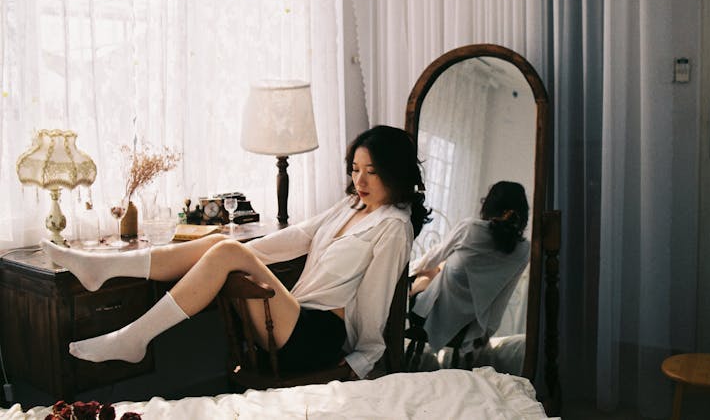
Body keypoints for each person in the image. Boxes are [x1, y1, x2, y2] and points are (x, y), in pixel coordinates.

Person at [41, 125, 431, 379]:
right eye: (354, 169)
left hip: (319, 336)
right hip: (294, 319)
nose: (358, 180)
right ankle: (103, 268)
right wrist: (225, 251)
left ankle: (133, 334)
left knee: (226, 250)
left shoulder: (394, 227)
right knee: (219, 245)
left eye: (371, 172)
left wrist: (362, 361)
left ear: (393, 173)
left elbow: (376, 301)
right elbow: (297, 237)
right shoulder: (351, 206)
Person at [408, 181, 530, 354]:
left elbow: (431, 259)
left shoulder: (471, 229)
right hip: (470, 325)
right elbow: (503, 295)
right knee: (441, 268)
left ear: (489, 205)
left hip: (432, 314)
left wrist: (408, 272)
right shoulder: (524, 250)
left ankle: (409, 289)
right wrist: (488, 330)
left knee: (432, 270)